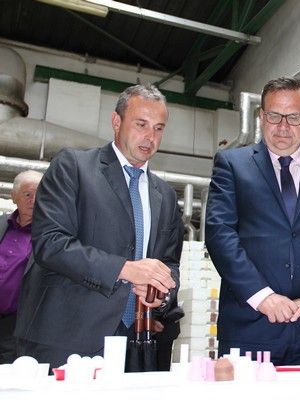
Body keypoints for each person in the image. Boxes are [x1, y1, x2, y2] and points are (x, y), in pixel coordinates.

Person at [14, 84, 183, 369]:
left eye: (158, 128)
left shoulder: (165, 195)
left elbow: (169, 263)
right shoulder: (73, 166)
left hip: (136, 343)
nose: (150, 137)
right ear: (116, 121)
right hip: (65, 338)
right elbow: (51, 243)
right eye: (141, 124)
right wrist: (125, 269)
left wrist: (162, 293)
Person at [205, 77, 300, 365]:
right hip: (250, 326)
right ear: (261, 116)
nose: (283, 126)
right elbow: (219, 234)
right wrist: (262, 296)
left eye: (294, 117)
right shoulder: (231, 165)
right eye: (274, 116)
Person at [0, 170, 43, 364]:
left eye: (38, 195)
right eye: (27, 194)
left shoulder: (48, 237)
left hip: (17, 325)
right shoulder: (2, 225)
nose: (33, 200)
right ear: (14, 196)